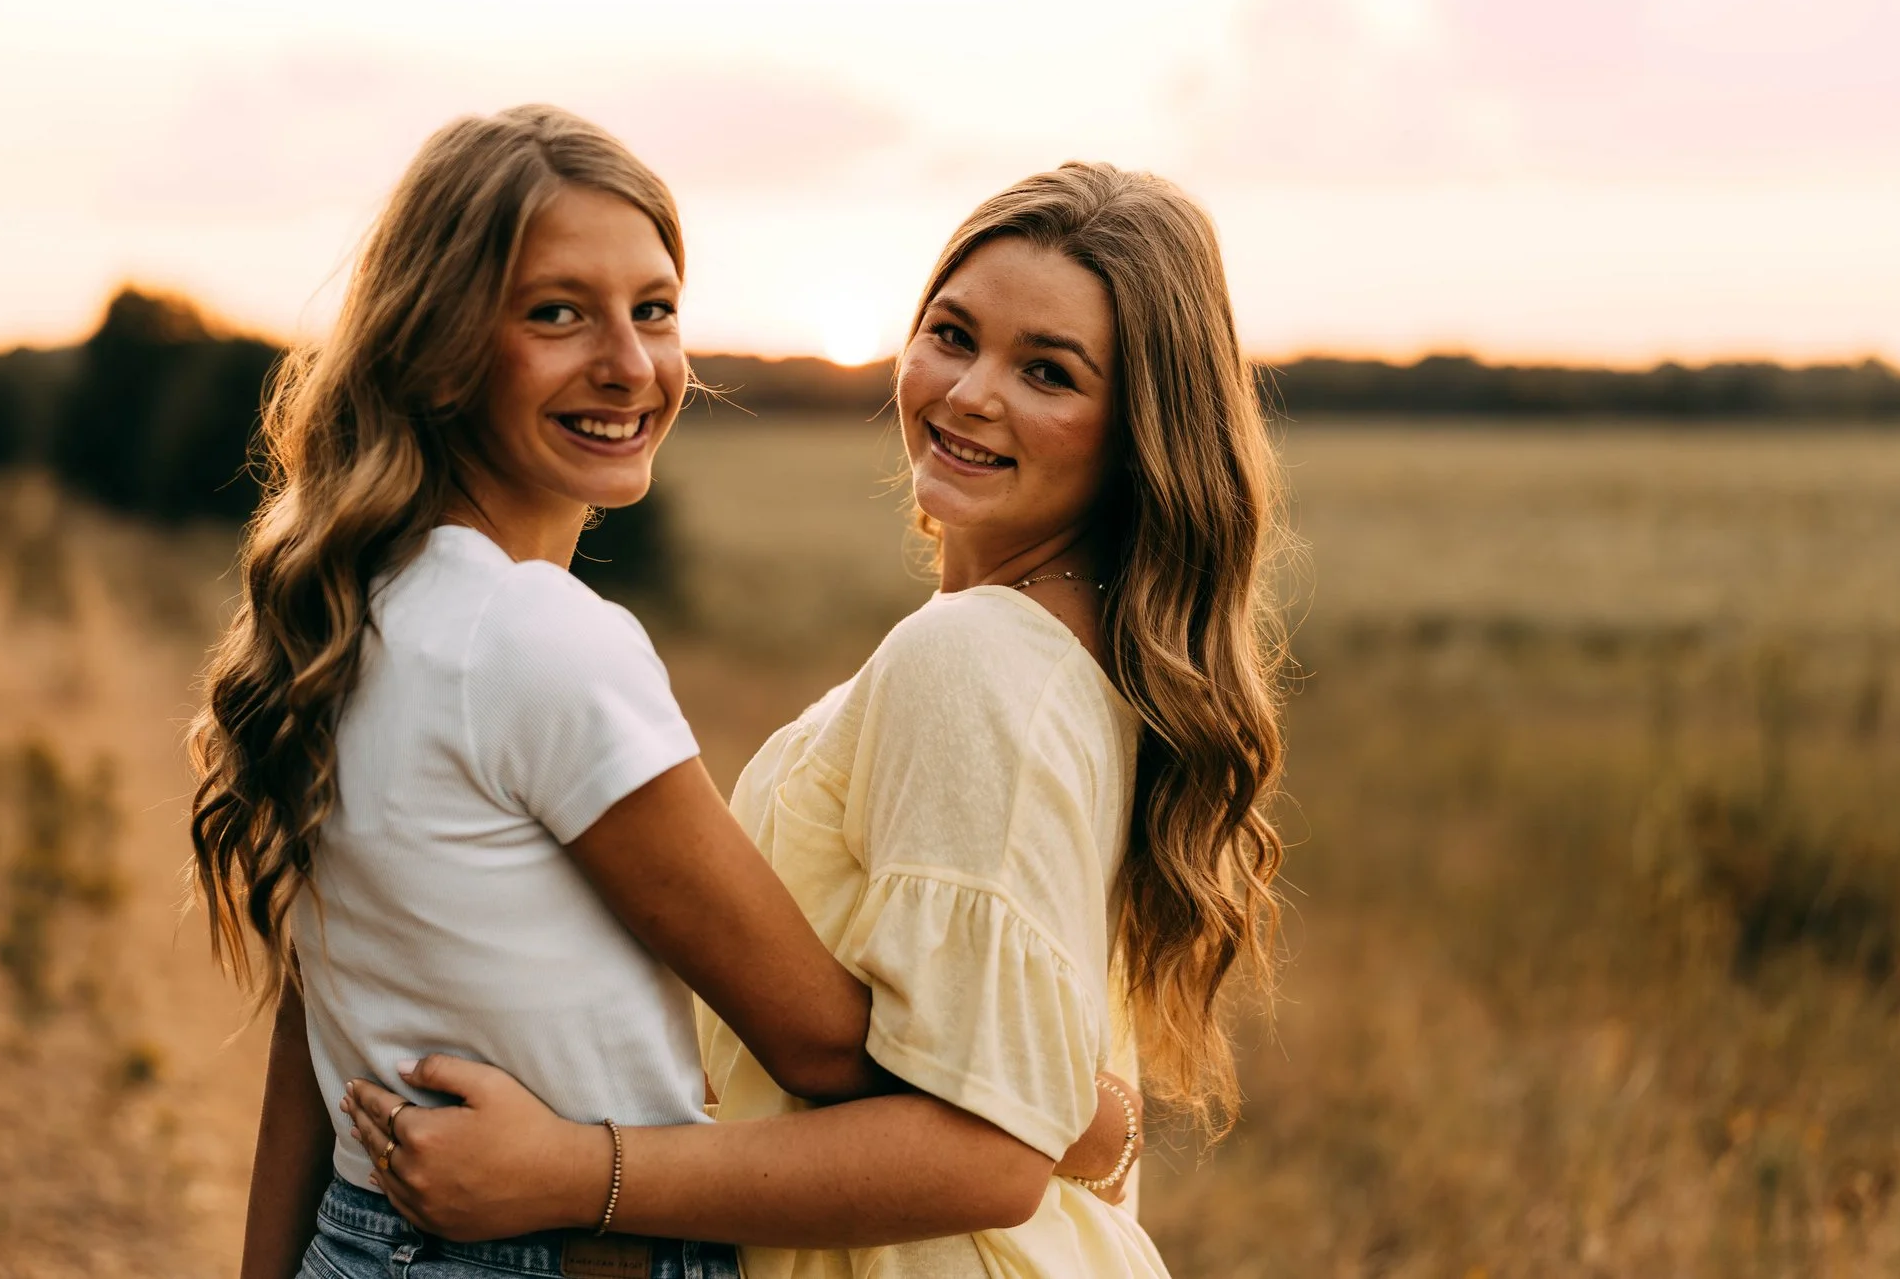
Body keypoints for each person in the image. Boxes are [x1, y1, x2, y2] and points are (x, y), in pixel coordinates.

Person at [187, 110, 1140, 1279]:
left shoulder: (352, 612)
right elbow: (824, 1045)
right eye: (556, 311)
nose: (629, 363)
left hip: (363, 1235)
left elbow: (312, 1035)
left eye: (653, 309)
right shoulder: (540, 636)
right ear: (439, 342)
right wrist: (1071, 1105)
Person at [345, 161, 1288, 1278]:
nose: (971, 392)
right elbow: (1034, 1103)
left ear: (1138, 426)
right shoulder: (1077, 661)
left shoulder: (977, 658)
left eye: (1047, 371)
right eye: (952, 334)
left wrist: (572, 1171)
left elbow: (987, 1157)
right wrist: (1088, 1116)